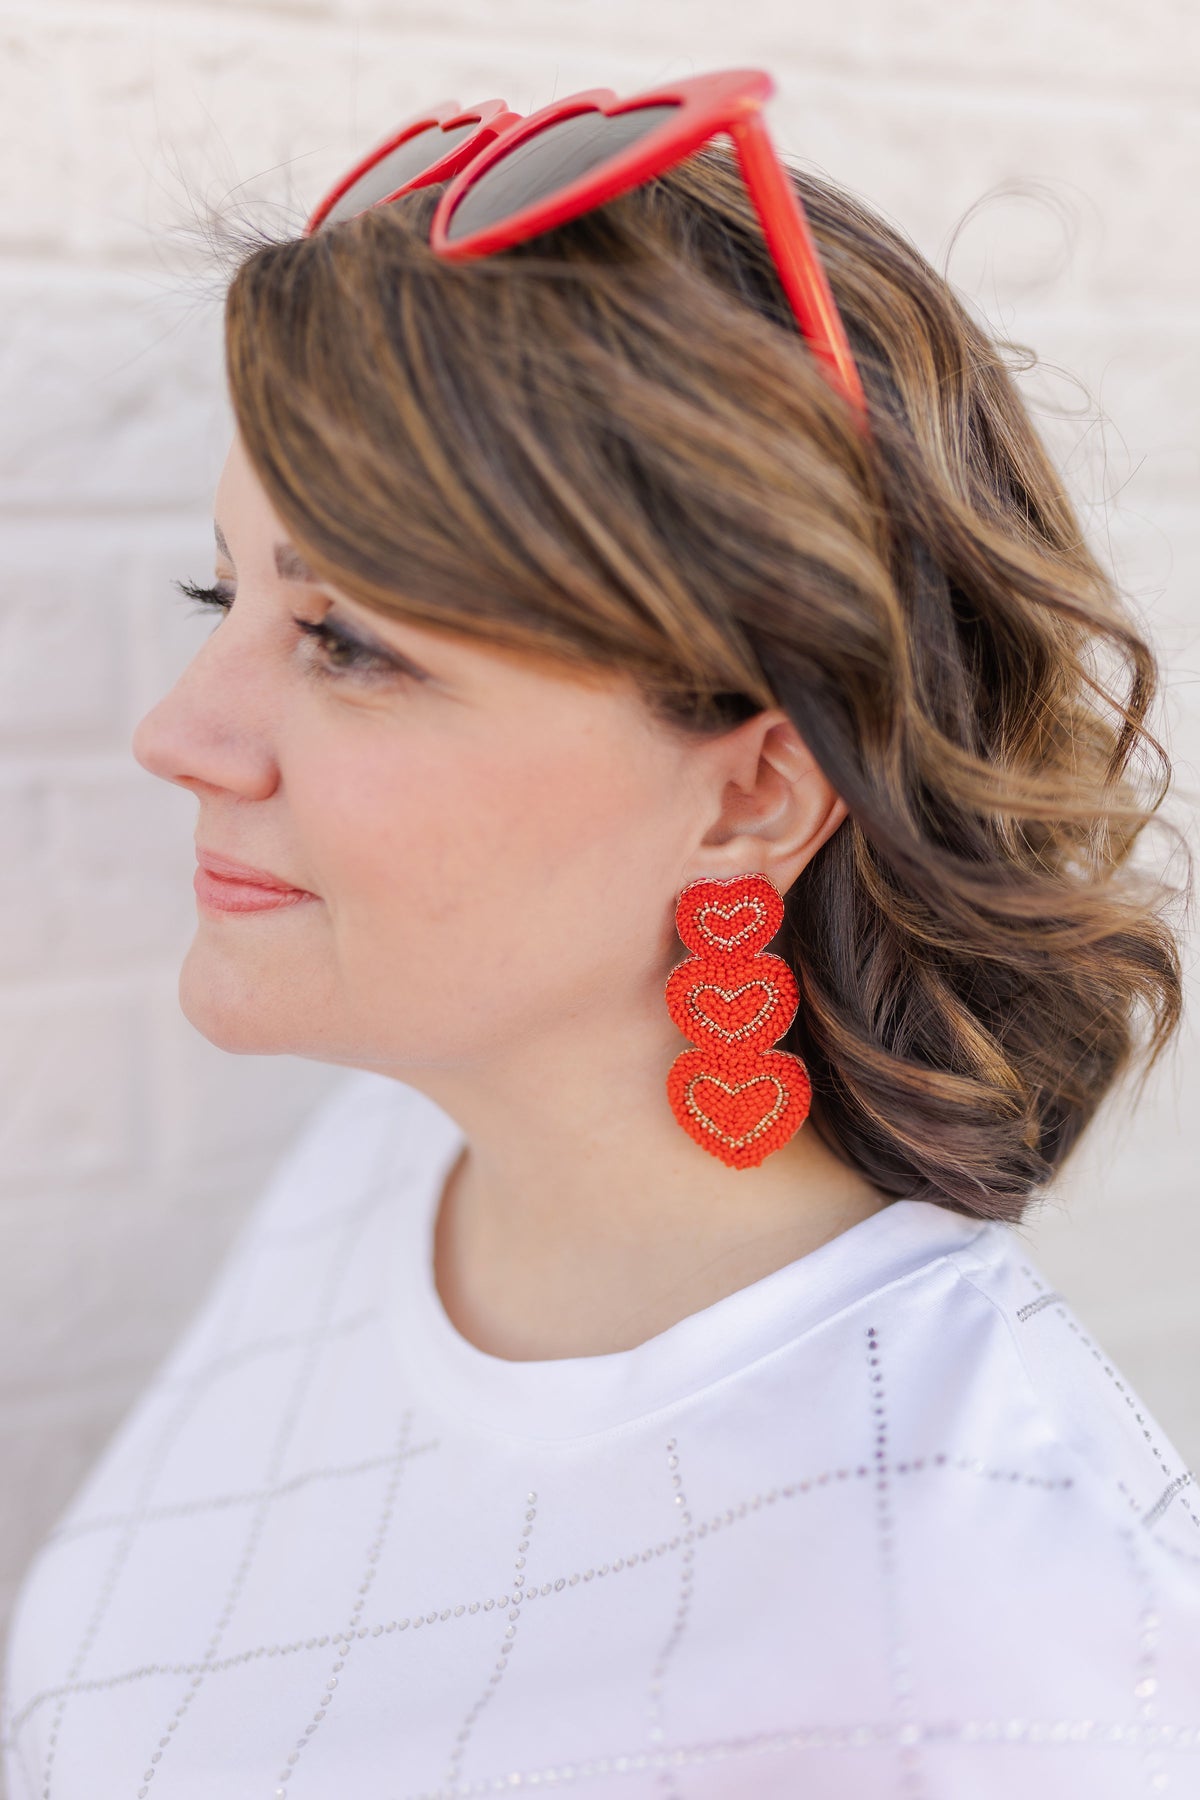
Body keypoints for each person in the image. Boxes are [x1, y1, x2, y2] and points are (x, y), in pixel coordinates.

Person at [3, 72, 1197, 1800]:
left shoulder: (998, 1650)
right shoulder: (384, 1157)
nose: (179, 732)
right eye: (225, 590)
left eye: (347, 643)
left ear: (754, 792)